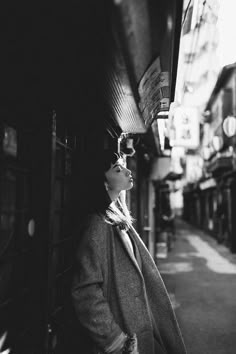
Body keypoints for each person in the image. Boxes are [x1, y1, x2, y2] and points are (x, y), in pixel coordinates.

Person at [71, 150, 187, 354]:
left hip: (134, 330)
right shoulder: (97, 225)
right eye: (117, 169)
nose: (127, 171)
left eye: (123, 166)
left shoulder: (115, 215)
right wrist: (116, 341)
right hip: (125, 340)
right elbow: (85, 292)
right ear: (104, 183)